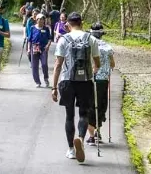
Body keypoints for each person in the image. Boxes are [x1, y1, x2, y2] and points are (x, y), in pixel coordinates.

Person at [51, 12, 100, 163]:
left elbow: (58, 64)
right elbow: (97, 63)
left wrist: (54, 87)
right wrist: (91, 73)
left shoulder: (63, 39)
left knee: (69, 115)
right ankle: (80, 138)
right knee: (84, 114)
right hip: (85, 81)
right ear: (82, 23)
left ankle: (71, 150)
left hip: (67, 81)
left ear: (68, 25)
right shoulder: (91, 39)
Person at [86, 22, 115, 145]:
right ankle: (98, 131)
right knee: (101, 105)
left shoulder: (89, 46)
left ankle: (91, 136)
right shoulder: (108, 47)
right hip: (104, 80)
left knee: (91, 106)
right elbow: (113, 64)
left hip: (92, 79)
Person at [29, 14, 53, 87]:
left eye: (42, 19)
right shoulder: (32, 28)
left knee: (44, 64)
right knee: (34, 66)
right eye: (39, 19)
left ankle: (46, 78)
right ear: (36, 20)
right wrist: (28, 49)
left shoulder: (46, 28)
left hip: (43, 48)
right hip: (34, 47)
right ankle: (37, 82)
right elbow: (29, 39)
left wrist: (48, 45)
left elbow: (49, 38)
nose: (41, 21)